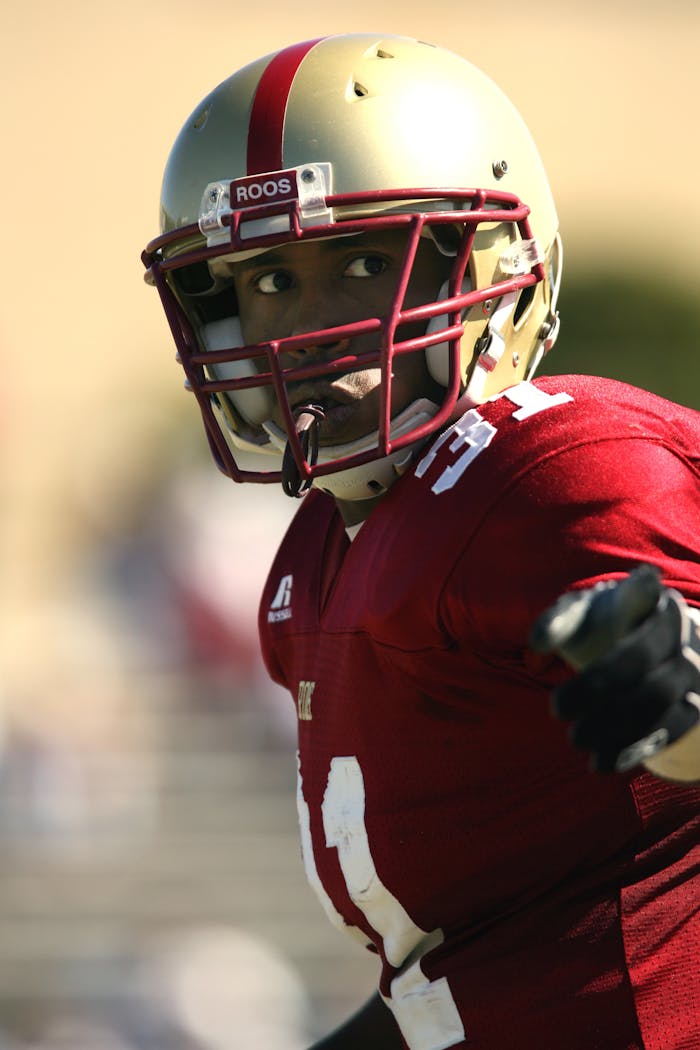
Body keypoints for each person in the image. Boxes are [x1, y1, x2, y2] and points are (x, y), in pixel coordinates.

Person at [142, 33, 700, 1049]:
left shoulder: (550, 470)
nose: (305, 329)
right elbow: (453, 972)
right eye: (267, 283)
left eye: (360, 262)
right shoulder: (311, 566)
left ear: (495, 270)